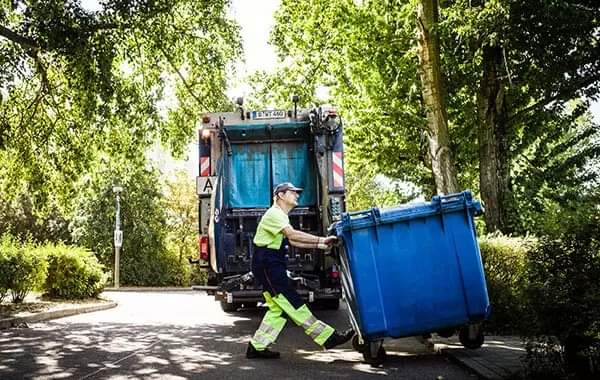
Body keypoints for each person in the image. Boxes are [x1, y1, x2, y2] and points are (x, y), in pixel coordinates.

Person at [246, 182, 354, 359]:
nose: (297, 195)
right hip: (268, 265)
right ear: (280, 195)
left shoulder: (280, 215)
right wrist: (320, 238)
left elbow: (294, 241)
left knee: (277, 309)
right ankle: (328, 337)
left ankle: (257, 347)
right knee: (292, 301)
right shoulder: (275, 213)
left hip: (268, 264)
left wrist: (321, 243)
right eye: (293, 192)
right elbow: (293, 235)